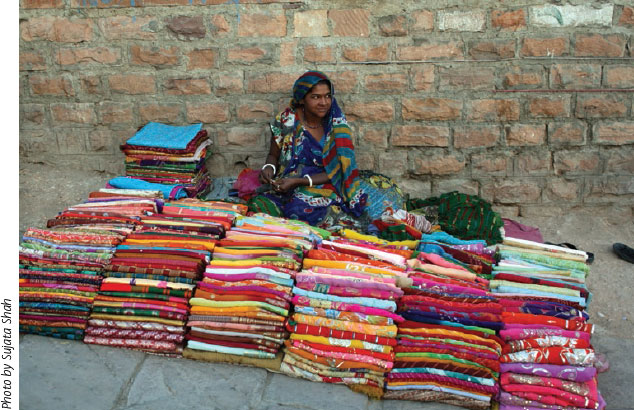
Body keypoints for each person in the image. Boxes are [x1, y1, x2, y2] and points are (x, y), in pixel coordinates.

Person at [249, 70, 368, 231]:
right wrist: (268, 168)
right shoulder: (286, 120)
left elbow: (339, 171)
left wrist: (300, 181)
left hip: (323, 184)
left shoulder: (337, 127)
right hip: (286, 184)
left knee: (300, 210)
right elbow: (273, 155)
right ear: (302, 99)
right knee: (259, 206)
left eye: (327, 96)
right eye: (316, 97)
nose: (324, 102)